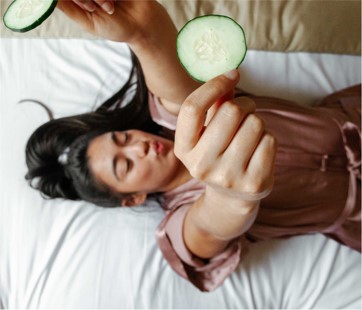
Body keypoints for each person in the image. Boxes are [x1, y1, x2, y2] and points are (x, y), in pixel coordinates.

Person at [25, 0, 361, 292]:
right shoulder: (177, 226)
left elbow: (162, 65)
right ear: (133, 199)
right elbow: (208, 229)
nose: (138, 147)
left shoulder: (182, 114)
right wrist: (232, 197)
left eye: (124, 138)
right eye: (124, 165)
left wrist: (140, 30)